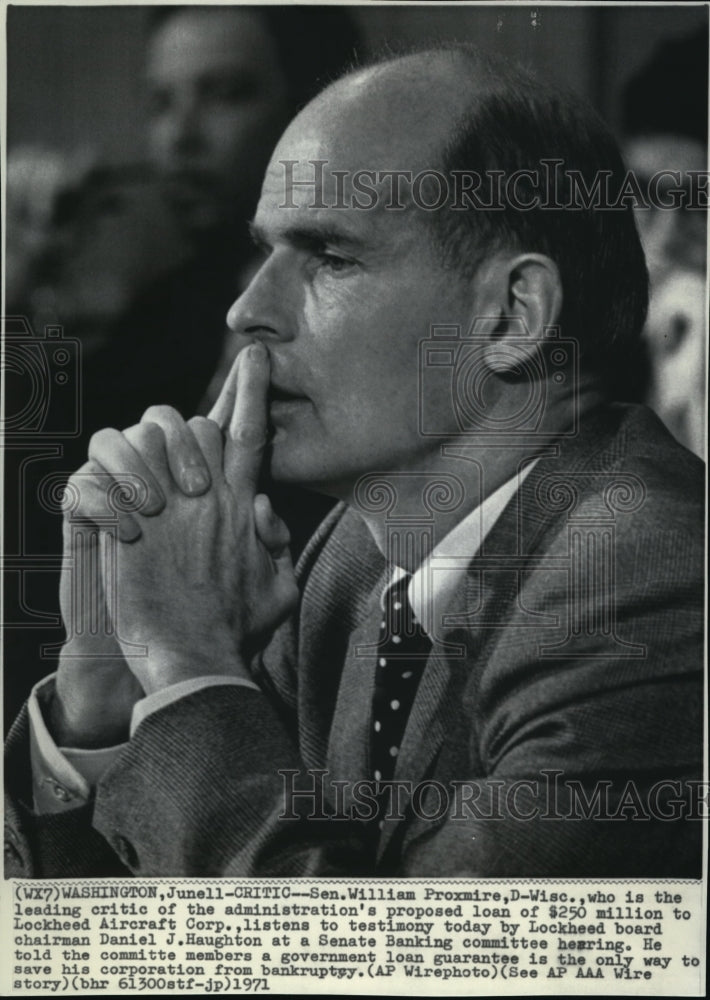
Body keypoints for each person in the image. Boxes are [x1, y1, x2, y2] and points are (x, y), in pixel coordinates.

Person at [5, 44, 704, 878]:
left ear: (514, 315)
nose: (247, 310)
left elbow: (414, 966)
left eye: (330, 257)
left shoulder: (649, 578)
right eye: (263, 253)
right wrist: (109, 700)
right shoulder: (353, 557)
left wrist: (190, 664)